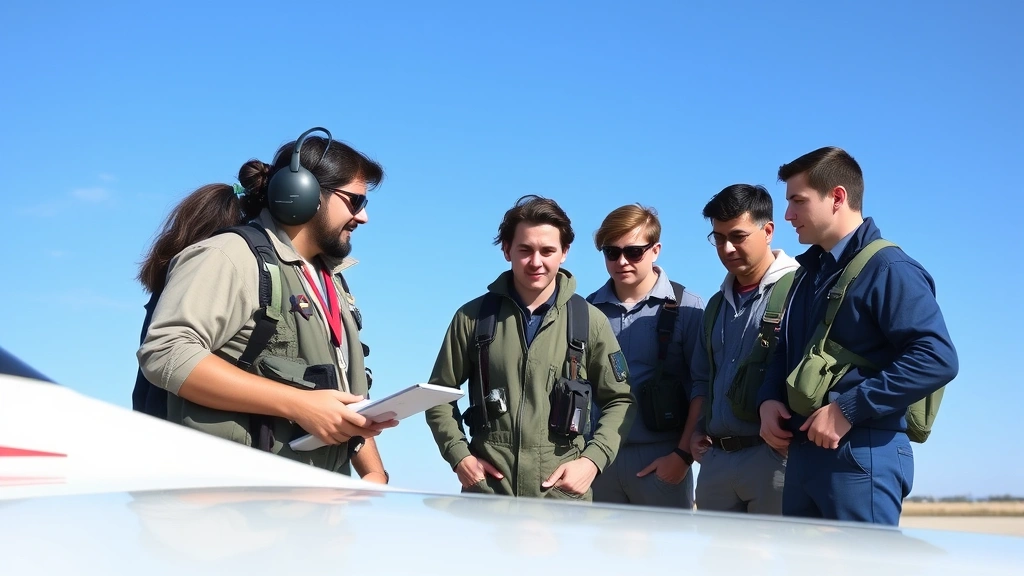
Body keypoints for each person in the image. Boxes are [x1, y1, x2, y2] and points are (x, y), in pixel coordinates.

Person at [137, 127, 394, 482]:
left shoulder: (330, 281)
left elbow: (344, 399)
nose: (363, 217)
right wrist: (299, 405)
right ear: (303, 193)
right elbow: (166, 352)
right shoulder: (229, 256)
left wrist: (374, 475)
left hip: (313, 511)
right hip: (234, 513)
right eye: (356, 201)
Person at [757, 146, 958, 524]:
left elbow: (936, 358)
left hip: (861, 453)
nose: (787, 215)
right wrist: (767, 401)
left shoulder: (889, 268)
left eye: (798, 201)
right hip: (803, 455)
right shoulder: (805, 275)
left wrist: (849, 409)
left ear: (837, 197)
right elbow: (785, 353)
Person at [424, 194, 636, 500]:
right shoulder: (472, 318)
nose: (536, 262)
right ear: (507, 250)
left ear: (564, 252)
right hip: (487, 495)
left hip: (560, 500)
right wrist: (460, 457)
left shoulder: (591, 322)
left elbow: (621, 401)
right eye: (525, 250)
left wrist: (592, 461)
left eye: (548, 250)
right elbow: (438, 396)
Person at [689, 184, 799, 514]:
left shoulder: (801, 288)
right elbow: (701, 377)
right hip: (716, 463)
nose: (727, 247)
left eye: (737, 236)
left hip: (775, 461)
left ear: (767, 231)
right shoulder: (714, 306)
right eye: (718, 238)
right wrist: (696, 431)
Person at [586, 204, 704, 508]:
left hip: (662, 458)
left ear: (656, 250)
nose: (621, 261)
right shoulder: (585, 312)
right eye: (611, 252)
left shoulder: (687, 307)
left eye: (634, 252)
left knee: (664, 554)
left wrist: (681, 457)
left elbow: (702, 387)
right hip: (599, 462)